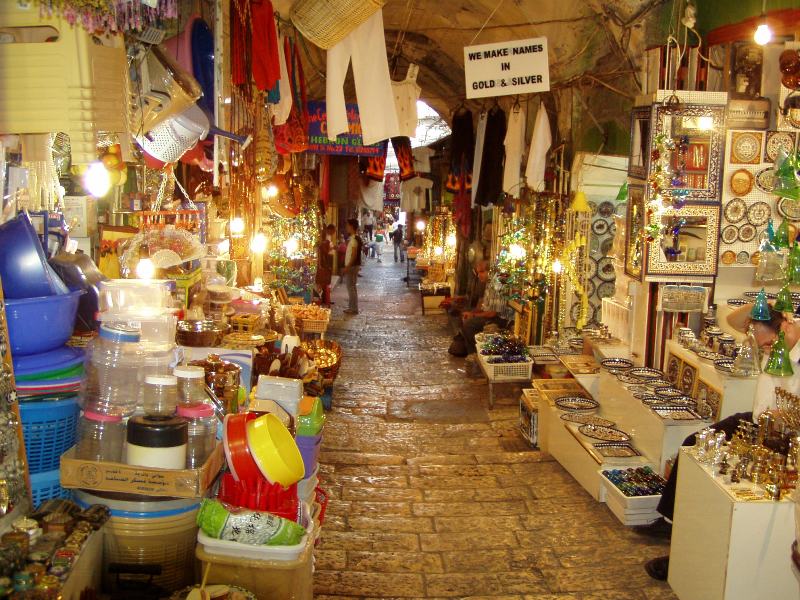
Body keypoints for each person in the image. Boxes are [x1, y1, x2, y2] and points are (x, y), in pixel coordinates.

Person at [638, 304, 800, 581]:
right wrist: (766, 305)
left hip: (785, 434)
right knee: (693, 444)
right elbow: (733, 318)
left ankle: (684, 551)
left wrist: (784, 416)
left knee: (726, 480)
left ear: (784, 329)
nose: (767, 350)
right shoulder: (773, 340)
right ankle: (671, 522)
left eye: (769, 344)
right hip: (757, 421)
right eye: (761, 346)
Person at [343, 219, 363, 315]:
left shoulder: (354, 239)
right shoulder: (354, 239)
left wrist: (348, 266)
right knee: (352, 287)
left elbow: (354, 255)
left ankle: (353, 308)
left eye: (347, 225)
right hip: (354, 266)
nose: (346, 227)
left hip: (352, 266)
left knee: (350, 287)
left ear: (351, 226)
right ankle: (352, 307)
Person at [315, 224, 336, 305]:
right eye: (333, 231)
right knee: (324, 280)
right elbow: (323, 251)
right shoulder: (325, 237)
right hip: (325, 261)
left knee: (326, 280)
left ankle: (326, 298)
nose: (334, 232)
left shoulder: (328, 237)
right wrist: (322, 264)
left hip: (327, 260)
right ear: (330, 230)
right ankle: (324, 299)